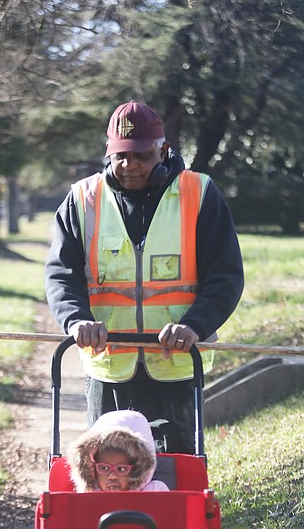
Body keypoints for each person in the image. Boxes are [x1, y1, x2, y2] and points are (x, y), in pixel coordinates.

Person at [45, 100, 244, 454]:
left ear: (163, 150)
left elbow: (225, 275)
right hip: (108, 367)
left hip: (175, 367)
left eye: (141, 155)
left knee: (175, 473)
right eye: (121, 156)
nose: (129, 166)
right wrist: (76, 321)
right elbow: (62, 274)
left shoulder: (199, 195)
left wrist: (195, 325)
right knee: (107, 472)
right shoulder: (82, 200)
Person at [67, 409, 169, 492]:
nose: (112, 476)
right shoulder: (90, 493)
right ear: (92, 468)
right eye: (104, 468)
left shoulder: (155, 491)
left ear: (137, 469)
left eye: (121, 469)